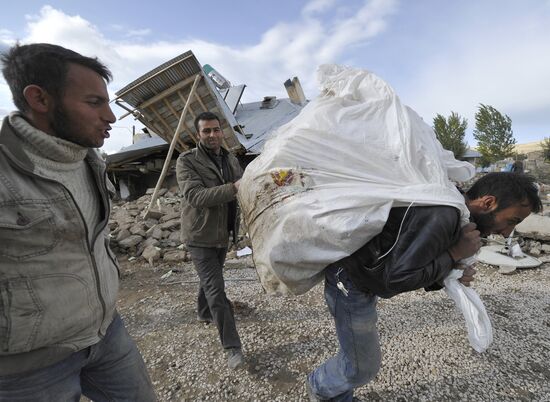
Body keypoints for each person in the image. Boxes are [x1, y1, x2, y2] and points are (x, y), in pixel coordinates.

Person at [0, 43, 155, 401]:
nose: (111, 117)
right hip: (29, 369)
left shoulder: (89, 160)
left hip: (106, 334)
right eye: (93, 102)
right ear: (40, 99)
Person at [307, 172, 542, 401]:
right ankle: (320, 386)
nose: (507, 232)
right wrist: (454, 254)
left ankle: (338, 396)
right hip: (351, 281)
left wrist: (449, 270)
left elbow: (411, 262)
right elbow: (393, 282)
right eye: (512, 221)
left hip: (363, 274)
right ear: (488, 202)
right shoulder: (443, 215)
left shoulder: (453, 208)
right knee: (362, 367)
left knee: (358, 360)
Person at [176, 111, 244, 369]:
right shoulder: (187, 161)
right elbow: (196, 196)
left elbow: (242, 187)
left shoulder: (229, 158)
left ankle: (204, 313)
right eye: (207, 131)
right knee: (216, 289)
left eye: (216, 130)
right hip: (200, 235)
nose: (213, 135)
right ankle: (232, 347)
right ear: (198, 135)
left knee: (210, 280)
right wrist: (234, 188)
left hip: (222, 234)